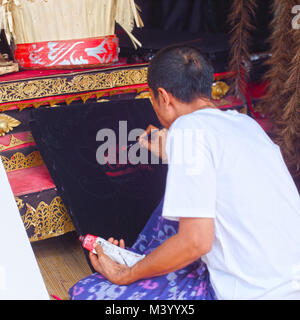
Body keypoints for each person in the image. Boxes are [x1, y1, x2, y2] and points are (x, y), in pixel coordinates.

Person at [86, 45, 300, 300]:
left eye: (152, 99)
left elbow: (196, 242)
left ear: (163, 97)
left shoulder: (187, 130)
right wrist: (174, 157)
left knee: (92, 294)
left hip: (256, 293)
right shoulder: (246, 124)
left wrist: (127, 274)